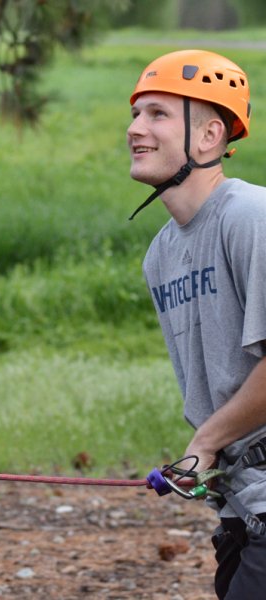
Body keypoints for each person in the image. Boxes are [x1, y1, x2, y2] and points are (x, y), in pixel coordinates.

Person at [127, 49, 266, 599]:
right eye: (136, 115)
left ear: (210, 136)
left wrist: (204, 443)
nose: (136, 129)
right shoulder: (160, 255)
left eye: (158, 114)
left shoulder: (250, 217)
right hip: (242, 511)